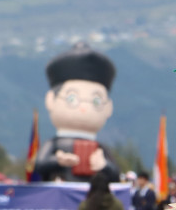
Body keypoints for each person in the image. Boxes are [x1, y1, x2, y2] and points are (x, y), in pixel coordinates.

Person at [34, 42, 120, 183]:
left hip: (93, 195)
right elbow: (39, 165)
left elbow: (115, 174)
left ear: (108, 107)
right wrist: (58, 161)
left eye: (96, 101)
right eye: (71, 98)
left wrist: (104, 166)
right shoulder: (55, 143)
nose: (83, 108)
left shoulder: (100, 148)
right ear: (51, 100)